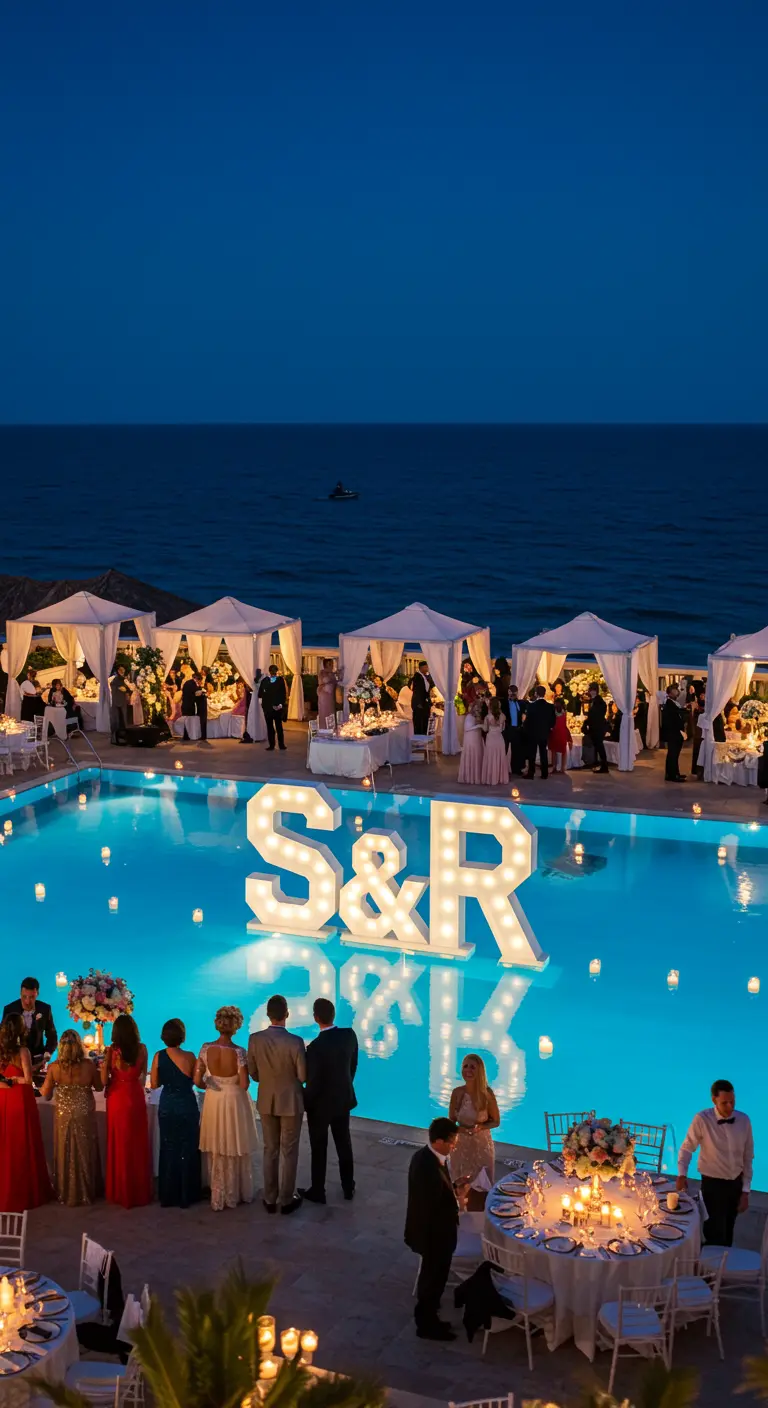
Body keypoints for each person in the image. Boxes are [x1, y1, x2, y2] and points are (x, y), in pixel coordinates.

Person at [405, 1117, 466, 1341]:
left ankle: (430, 1317)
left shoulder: (429, 1157)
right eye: (452, 1142)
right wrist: (456, 1199)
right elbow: (431, 1204)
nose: (454, 1146)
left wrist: (455, 1187)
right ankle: (427, 1325)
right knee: (433, 1279)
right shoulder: (427, 1167)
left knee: (434, 1279)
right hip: (434, 1235)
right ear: (438, 1141)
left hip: (436, 1233)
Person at [247, 994, 306, 1214]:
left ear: (268, 1015)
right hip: (290, 1101)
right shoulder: (295, 1042)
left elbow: (253, 1073)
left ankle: (270, 1198)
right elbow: (302, 1076)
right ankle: (286, 1198)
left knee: (270, 1149)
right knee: (289, 1151)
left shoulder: (255, 1039)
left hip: (266, 1099)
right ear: (287, 1014)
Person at [677, 1079, 753, 1247]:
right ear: (714, 1100)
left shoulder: (744, 1120)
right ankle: (709, 1270)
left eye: (732, 1101)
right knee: (713, 1232)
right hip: (712, 1184)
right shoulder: (702, 1119)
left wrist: (745, 1191)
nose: (730, 1107)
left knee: (728, 1230)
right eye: (724, 1102)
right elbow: (687, 1148)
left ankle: (721, 1269)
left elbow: (748, 1157)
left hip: (735, 1183)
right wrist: (682, 1174)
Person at [196, 1006, 258, 1212]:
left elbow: (198, 1080)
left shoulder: (205, 1049)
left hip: (214, 1100)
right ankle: (235, 1193)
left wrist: (211, 1084)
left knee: (217, 1145)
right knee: (234, 1143)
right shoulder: (239, 1052)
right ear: (236, 1027)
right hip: (233, 1101)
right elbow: (244, 1084)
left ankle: (218, 1192)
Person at [299, 998, 358, 1205]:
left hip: (320, 1106)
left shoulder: (314, 1047)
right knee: (344, 1144)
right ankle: (348, 1186)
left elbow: (313, 1082)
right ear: (333, 1014)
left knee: (319, 1148)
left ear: (316, 1018)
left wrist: (305, 1103)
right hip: (343, 1100)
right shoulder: (349, 1035)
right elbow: (352, 1067)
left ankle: (318, 1190)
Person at [40, 1028, 103, 1206]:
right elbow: (99, 1088)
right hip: (84, 1112)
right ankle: (87, 1190)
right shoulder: (89, 1065)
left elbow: (45, 1094)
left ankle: (66, 1191)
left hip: (64, 1113)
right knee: (85, 1149)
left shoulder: (54, 1067)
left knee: (65, 1148)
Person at [0, 1013, 53, 1211]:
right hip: (19, 1100)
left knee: (6, 1144)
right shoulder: (23, 1051)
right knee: (23, 1143)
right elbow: (27, 1079)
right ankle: (25, 1191)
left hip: (3, 1099)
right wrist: (15, 1079)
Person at [150, 1018, 202, 1209]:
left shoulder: (158, 1056)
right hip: (187, 1105)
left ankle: (168, 1195)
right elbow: (197, 1081)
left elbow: (154, 1084)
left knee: (169, 1147)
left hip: (168, 1105)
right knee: (188, 1148)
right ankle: (187, 1194)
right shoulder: (190, 1056)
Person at [103, 1014, 152, 1208]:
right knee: (136, 1143)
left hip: (117, 1097)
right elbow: (142, 1079)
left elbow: (105, 1080)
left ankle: (120, 1190)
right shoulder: (142, 1049)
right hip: (135, 1095)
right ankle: (138, 1191)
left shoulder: (111, 1051)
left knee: (119, 1143)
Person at [448, 1054, 500, 1187]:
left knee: (481, 1186)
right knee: (459, 1185)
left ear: (480, 1071)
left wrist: (480, 1127)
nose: (468, 1070)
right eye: (465, 1066)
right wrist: (461, 1130)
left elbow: (496, 1121)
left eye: (472, 1067)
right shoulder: (457, 1093)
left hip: (481, 1146)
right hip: (460, 1146)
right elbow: (451, 1122)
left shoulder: (487, 1094)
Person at [3, 976, 58, 1082]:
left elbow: (51, 1034)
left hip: (37, 1061)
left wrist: (47, 1054)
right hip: (14, 1062)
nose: (27, 1001)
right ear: (20, 993)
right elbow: (3, 1035)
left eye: (31, 997)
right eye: (24, 997)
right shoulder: (9, 1009)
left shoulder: (45, 1009)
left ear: (37, 994)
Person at [524, 685, 556, 779]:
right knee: (543, 753)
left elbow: (528, 720)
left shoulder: (531, 706)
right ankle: (544, 773)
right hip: (544, 733)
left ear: (536, 694)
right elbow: (553, 721)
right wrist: (548, 729)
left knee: (532, 754)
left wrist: (526, 729)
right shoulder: (550, 707)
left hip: (533, 733)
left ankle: (531, 772)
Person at [661, 683, 687, 782]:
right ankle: (672, 775)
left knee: (674, 754)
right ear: (671, 692)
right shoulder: (669, 703)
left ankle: (674, 773)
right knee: (673, 754)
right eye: (675, 690)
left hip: (675, 732)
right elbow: (673, 719)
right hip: (673, 733)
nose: (677, 691)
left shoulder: (673, 703)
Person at [481, 698, 510, 785]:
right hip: (499, 739)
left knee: (490, 757)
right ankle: (499, 777)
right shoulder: (503, 716)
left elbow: (485, 729)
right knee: (500, 757)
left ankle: (490, 778)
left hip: (490, 738)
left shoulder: (487, 717)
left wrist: (479, 725)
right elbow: (502, 729)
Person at [259, 667, 288, 751]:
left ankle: (272, 745)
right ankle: (281, 745)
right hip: (277, 706)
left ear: (269, 671)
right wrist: (281, 704)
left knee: (270, 727)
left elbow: (260, 694)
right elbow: (283, 693)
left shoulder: (265, 680)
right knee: (279, 726)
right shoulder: (280, 680)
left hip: (267, 707)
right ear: (277, 671)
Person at [458, 700, 485, 784]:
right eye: (476, 708)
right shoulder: (469, 716)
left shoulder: (478, 717)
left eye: (479, 708)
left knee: (477, 756)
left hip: (477, 738)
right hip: (471, 739)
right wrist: (479, 726)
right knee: (472, 755)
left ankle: (477, 776)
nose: (478, 710)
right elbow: (467, 729)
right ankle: (470, 776)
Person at [502, 685, 526, 775]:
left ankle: (516, 769)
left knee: (517, 751)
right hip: (507, 729)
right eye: (511, 692)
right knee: (504, 749)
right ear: (508, 692)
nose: (512, 694)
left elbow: (523, 713)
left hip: (517, 729)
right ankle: (502, 769)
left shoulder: (520, 703)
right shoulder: (504, 703)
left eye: (514, 692)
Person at [584, 682, 609, 774]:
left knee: (599, 746)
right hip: (596, 727)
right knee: (598, 746)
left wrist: (588, 722)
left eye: (592, 690)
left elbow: (595, 715)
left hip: (597, 728)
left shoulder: (598, 702)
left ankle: (604, 766)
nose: (590, 692)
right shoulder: (595, 701)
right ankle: (600, 764)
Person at [548, 697, 573, 773]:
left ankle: (557, 767)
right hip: (560, 732)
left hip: (557, 732)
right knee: (560, 751)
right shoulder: (564, 712)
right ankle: (561, 767)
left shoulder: (555, 712)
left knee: (556, 751)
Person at [109, 665, 132, 741]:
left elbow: (128, 688)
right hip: (117, 700)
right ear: (118, 671)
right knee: (117, 718)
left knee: (123, 717)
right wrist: (119, 689)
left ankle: (123, 733)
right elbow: (113, 685)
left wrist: (126, 691)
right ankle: (116, 735)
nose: (122, 672)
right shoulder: (116, 679)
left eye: (123, 670)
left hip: (122, 700)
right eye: (121, 670)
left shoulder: (123, 679)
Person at [180, 671, 204, 742]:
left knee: (186, 720)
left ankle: (186, 735)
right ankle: (188, 735)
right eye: (199, 680)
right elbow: (197, 693)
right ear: (197, 679)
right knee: (189, 721)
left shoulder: (187, 683)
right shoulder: (193, 684)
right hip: (189, 705)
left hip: (185, 704)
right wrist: (200, 687)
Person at [317, 658, 341, 729]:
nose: (333, 665)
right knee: (325, 711)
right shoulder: (322, 673)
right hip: (324, 695)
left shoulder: (332, 673)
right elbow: (326, 680)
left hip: (330, 695)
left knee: (330, 710)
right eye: (331, 664)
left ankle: (331, 727)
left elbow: (335, 682)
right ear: (327, 664)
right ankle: (324, 728)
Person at [411, 661, 433, 737]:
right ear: (421, 668)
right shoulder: (417, 677)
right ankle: (419, 738)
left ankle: (424, 736)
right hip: (419, 704)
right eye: (426, 667)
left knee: (425, 720)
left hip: (425, 702)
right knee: (419, 722)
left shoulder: (425, 676)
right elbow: (417, 691)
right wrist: (418, 703)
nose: (427, 668)